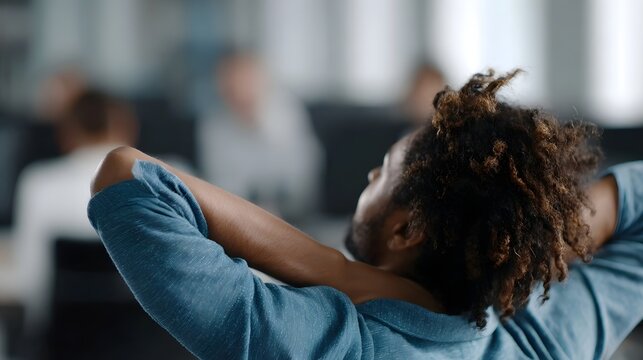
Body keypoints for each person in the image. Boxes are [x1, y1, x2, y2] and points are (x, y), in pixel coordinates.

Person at [88, 71, 642, 359]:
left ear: (407, 230)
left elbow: (127, 177)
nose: (369, 181)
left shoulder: (323, 345)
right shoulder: (543, 341)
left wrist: (341, 271)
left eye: (381, 173)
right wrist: (524, 249)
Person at [12, 89, 138, 330]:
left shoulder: (38, 184)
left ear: (66, 133)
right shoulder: (169, 175)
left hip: (63, 344)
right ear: (127, 128)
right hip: (150, 347)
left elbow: (29, 285)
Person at [198, 52, 322, 219]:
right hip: (238, 214)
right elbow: (218, 184)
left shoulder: (287, 112)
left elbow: (301, 178)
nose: (239, 89)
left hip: (290, 212)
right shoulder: (213, 124)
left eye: (245, 80)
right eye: (230, 83)